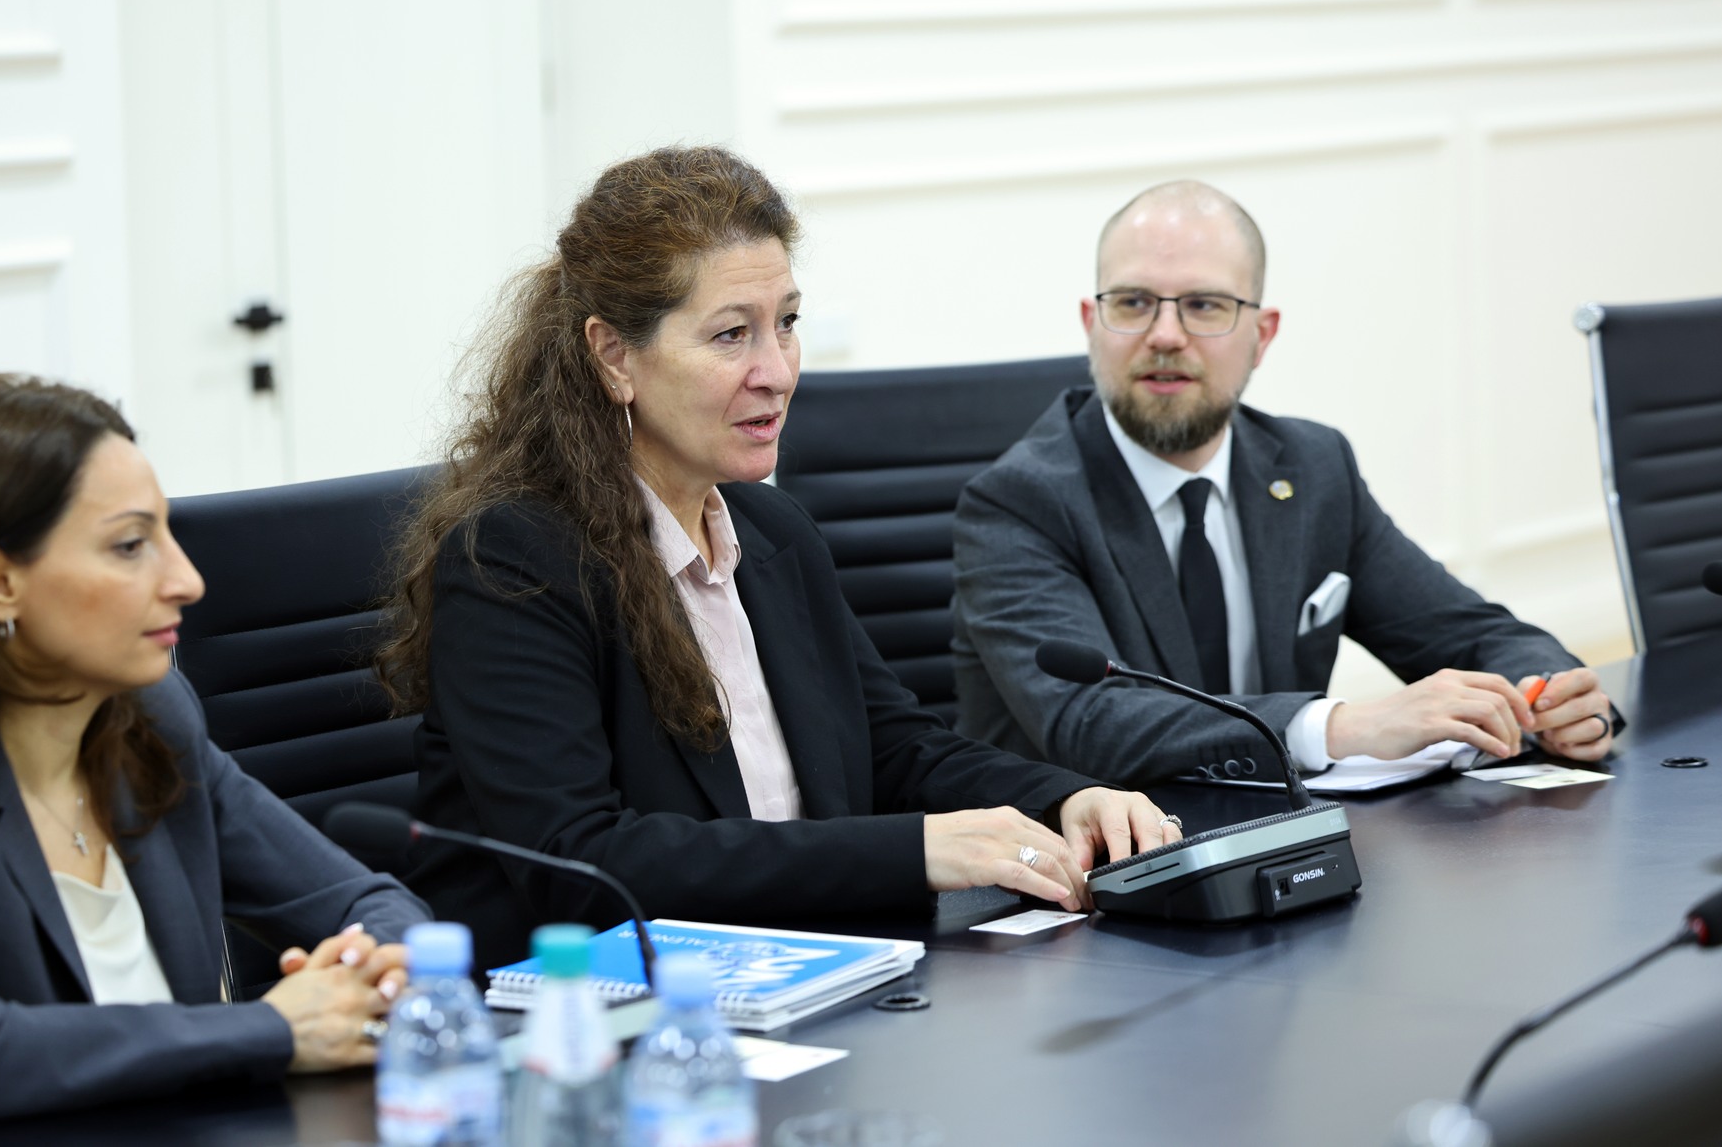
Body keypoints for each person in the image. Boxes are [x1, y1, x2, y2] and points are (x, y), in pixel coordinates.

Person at [379, 146, 1176, 972]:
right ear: (615, 356)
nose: (777, 372)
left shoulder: (771, 530)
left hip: (803, 971)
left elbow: (895, 747)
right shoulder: (516, 558)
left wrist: (1065, 796)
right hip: (598, 1012)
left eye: (786, 323)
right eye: (732, 334)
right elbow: (585, 864)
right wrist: (914, 850)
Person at [0, 376, 430, 1146]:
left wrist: (370, 970)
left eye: (166, 536)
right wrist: (275, 1028)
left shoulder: (149, 724)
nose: (186, 580)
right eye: (130, 545)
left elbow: (364, 899)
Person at [952, 180, 1617, 786]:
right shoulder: (1018, 503)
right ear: (1091, 323)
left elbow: (1467, 632)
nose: (1165, 335)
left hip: (1282, 846)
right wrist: (1339, 726)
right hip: (1081, 863)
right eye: (1132, 303)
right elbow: (1093, 723)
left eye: (1204, 305)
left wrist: (1548, 693)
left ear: (1262, 335)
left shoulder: (1312, 467)